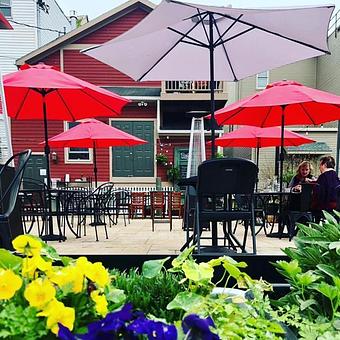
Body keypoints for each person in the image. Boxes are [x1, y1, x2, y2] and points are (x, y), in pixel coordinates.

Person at [312, 155, 340, 220]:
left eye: (320, 165)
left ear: (324, 165)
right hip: (337, 208)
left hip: (325, 207)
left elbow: (318, 194)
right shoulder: (336, 177)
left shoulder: (323, 177)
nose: (319, 167)